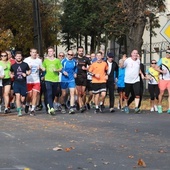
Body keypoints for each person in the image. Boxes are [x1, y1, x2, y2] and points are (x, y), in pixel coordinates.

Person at [42, 46, 62, 115]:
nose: (49, 53)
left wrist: (56, 70)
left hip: (55, 79)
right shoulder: (45, 60)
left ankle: (49, 104)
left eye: (51, 51)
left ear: (53, 52)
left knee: (53, 94)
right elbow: (43, 67)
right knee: (49, 93)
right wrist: (43, 69)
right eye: (48, 51)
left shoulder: (57, 60)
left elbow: (60, 68)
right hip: (48, 79)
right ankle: (51, 107)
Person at [123, 50, 144, 114]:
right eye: (134, 53)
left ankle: (136, 107)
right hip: (128, 80)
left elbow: (138, 68)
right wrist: (123, 60)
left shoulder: (138, 60)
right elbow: (122, 66)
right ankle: (126, 106)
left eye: (136, 53)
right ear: (131, 54)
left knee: (137, 94)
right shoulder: (128, 60)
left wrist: (142, 74)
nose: (135, 54)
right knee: (126, 95)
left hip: (136, 80)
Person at [10, 51, 30, 116]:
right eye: (17, 56)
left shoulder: (25, 64)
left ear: (21, 57)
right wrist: (11, 75)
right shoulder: (13, 66)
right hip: (16, 83)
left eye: (20, 56)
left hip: (23, 83)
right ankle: (19, 110)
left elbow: (29, 71)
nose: (18, 57)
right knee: (17, 96)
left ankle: (25, 104)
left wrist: (26, 74)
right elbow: (11, 72)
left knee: (23, 98)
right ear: (15, 57)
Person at [24, 48, 43, 116]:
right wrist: (28, 68)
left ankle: (33, 109)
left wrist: (41, 68)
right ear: (30, 53)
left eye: (35, 52)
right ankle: (27, 104)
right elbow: (23, 69)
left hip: (36, 80)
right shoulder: (26, 60)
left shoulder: (39, 60)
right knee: (29, 95)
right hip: (29, 80)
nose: (34, 53)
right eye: (33, 52)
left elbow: (42, 68)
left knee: (35, 95)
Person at [74, 46, 91, 113]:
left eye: (82, 51)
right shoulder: (75, 58)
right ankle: (81, 106)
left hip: (84, 77)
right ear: (77, 51)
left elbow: (90, 67)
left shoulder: (86, 59)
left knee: (83, 93)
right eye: (80, 51)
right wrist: (74, 73)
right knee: (79, 92)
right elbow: (72, 67)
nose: (81, 52)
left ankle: (79, 103)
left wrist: (86, 69)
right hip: (77, 76)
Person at [60, 50, 77, 114]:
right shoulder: (63, 61)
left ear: (73, 55)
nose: (70, 56)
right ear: (67, 54)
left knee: (72, 93)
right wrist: (63, 71)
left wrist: (75, 73)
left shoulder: (74, 62)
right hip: (64, 79)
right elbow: (60, 68)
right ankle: (62, 105)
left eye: (71, 55)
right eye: (69, 54)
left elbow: (75, 68)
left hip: (71, 79)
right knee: (64, 94)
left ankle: (71, 107)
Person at [155, 49, 170, 114]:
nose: (168, 54)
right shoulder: (162, 59)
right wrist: (162, 71)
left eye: (169, 53)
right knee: (162, 94)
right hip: (163, 79)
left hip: (169, 80)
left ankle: (169, 108)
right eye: (167, 52)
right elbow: (156, 67)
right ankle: (159, 105)